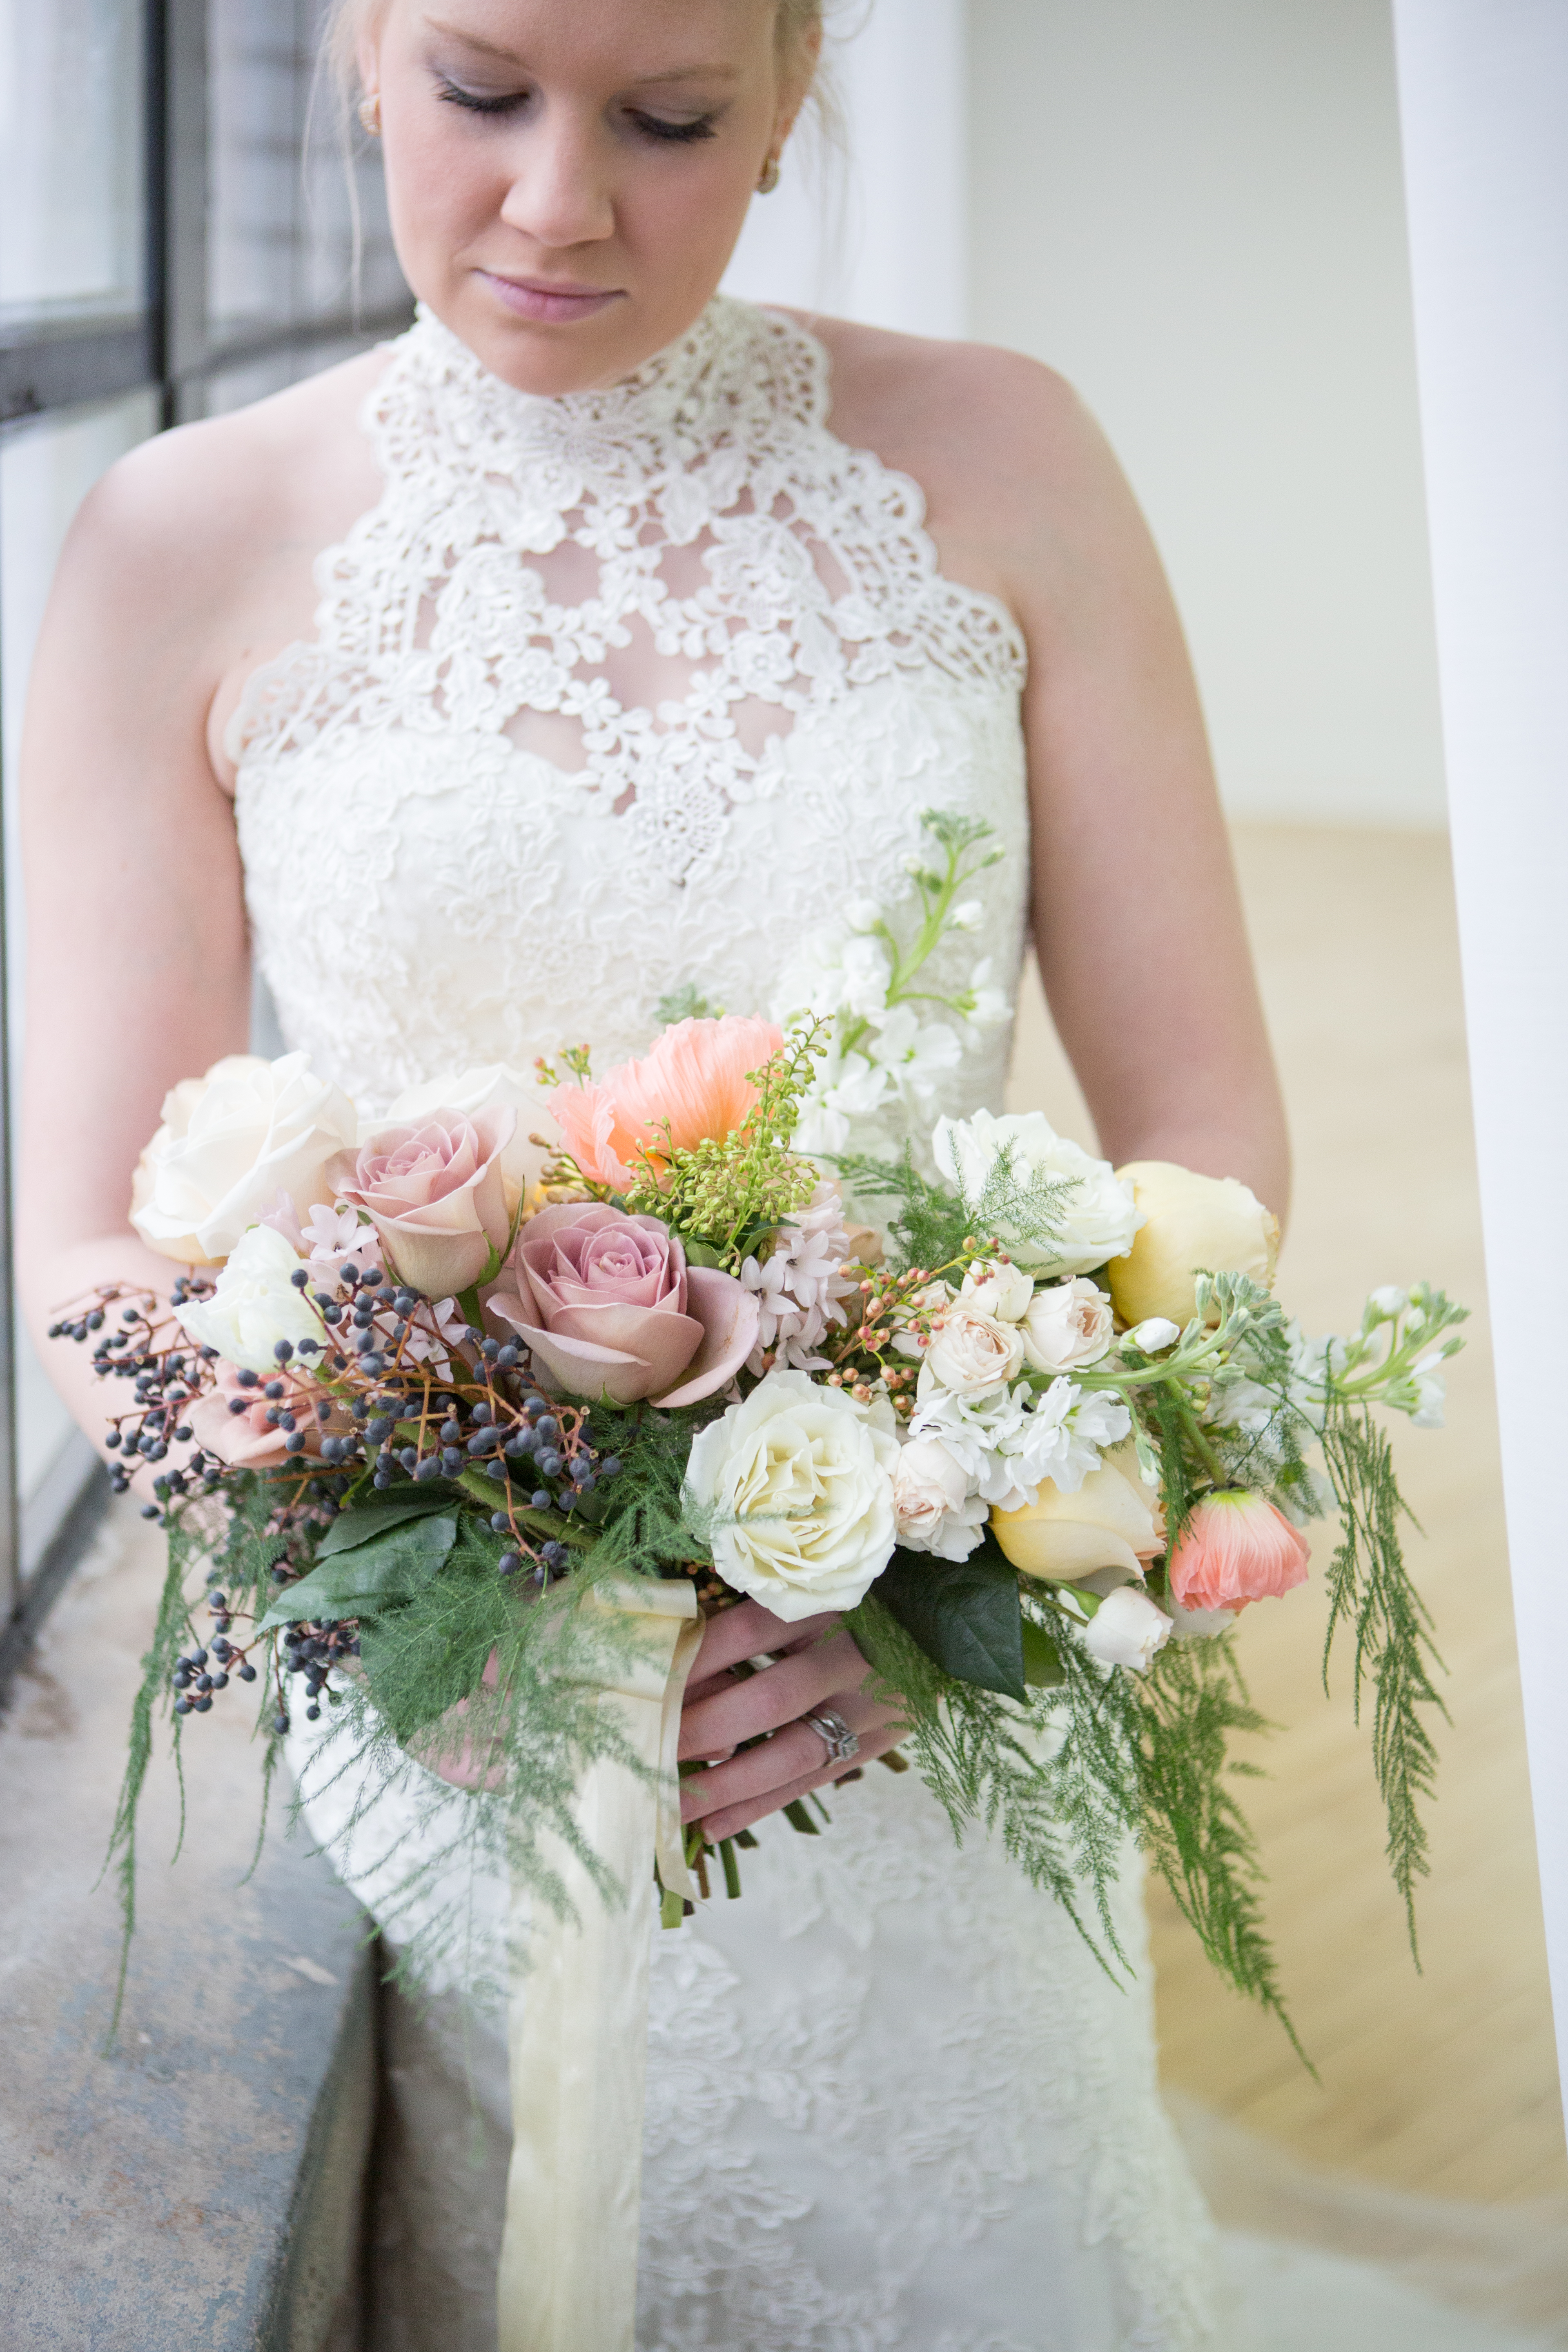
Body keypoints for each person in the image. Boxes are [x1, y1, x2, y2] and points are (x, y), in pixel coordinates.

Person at [18, 1, 1288, 2343]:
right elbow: (93, 1243)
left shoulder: (1008, 458)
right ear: (361, 55)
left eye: (672, 117)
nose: (560, 199)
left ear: (794, 97)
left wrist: (956, 1591)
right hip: (455, 1726)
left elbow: (1203, 1136)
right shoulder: (174, 538)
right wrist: (376, 1604)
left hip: (929, 1725)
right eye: (481, 89)